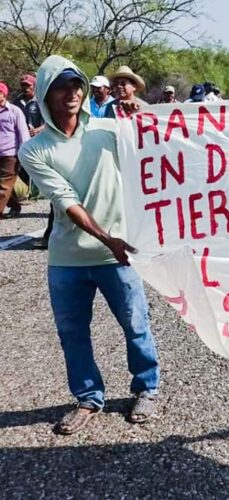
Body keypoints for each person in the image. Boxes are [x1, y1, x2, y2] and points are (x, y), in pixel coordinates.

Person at [18, 55, 160, 435]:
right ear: (46, 93)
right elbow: (66, 201)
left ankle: (146, 388)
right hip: (69, 258)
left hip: (120, 253)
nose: (73, 92)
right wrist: (105, 238)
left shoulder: (109, 128)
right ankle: (88, 398)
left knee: (136, 325)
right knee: (73, 334)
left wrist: (139, 110)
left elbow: (160, 140)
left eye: (77, 84)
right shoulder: (33, 150)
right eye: (62, 86)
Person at [0, 81, 30, 218]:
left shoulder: (14, 111)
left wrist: (24, 154)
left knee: (4, 186)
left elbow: (23, 133)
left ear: (4, 95)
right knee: (5, 185)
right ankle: (15, 205)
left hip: (10, 154)